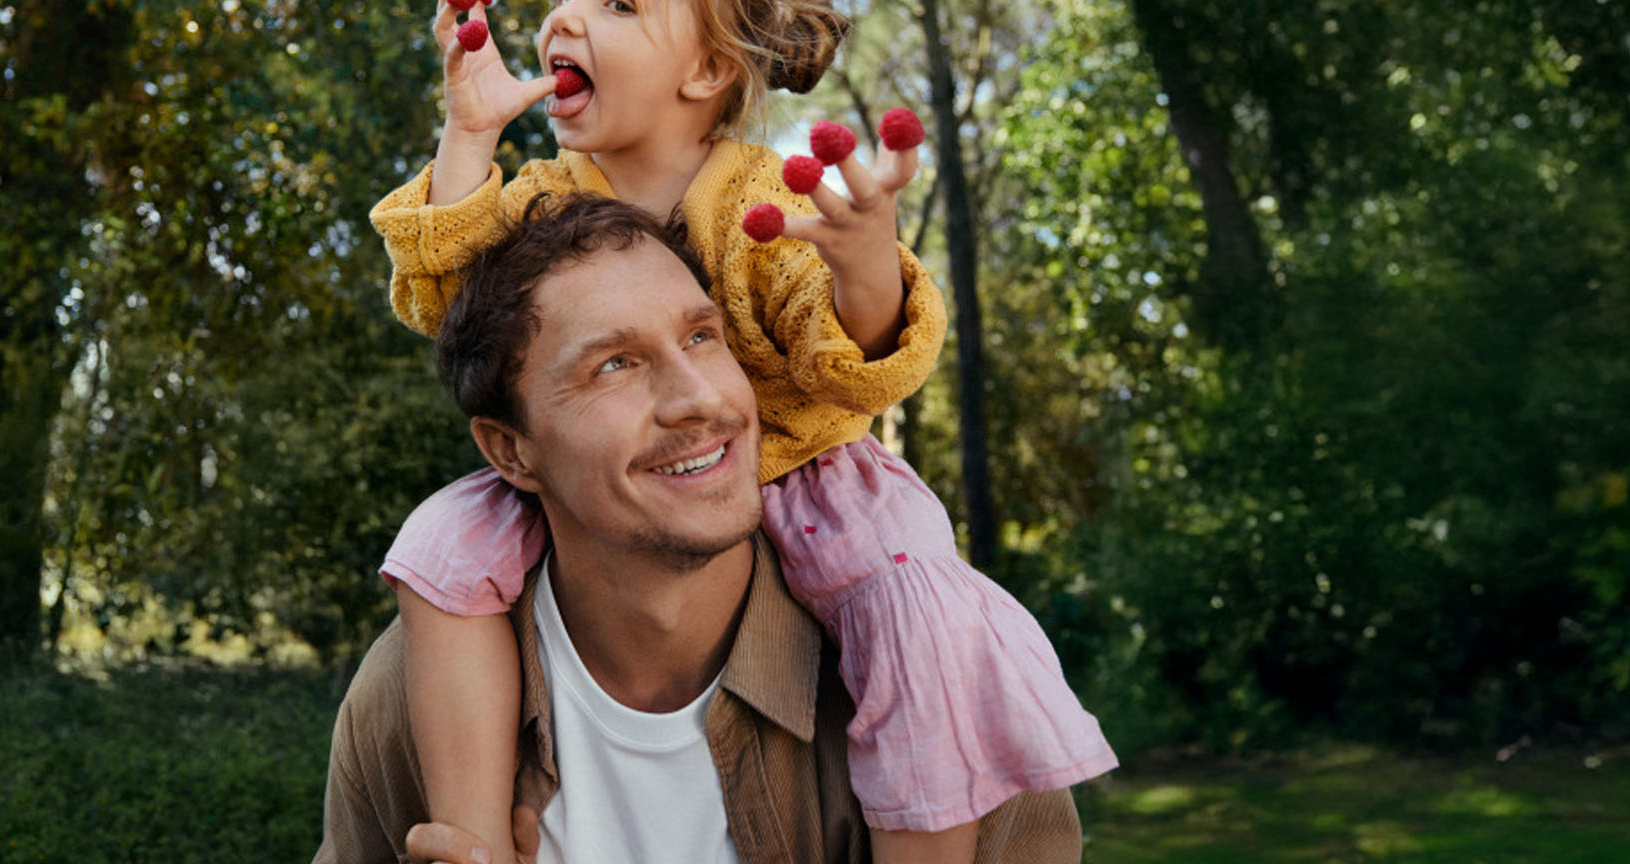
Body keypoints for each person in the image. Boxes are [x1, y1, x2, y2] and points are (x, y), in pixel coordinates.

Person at [367, 0, 1115, 864]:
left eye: (616, 2)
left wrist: (863, 274)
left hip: (811, 478)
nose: (565, 17)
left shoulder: (770, 196)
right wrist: (469, 135)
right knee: (440, 550)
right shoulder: (543, 198)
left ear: (708, 68)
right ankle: (468, 841)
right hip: (608, 482)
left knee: (913, 603)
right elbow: (453, 302)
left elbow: (843, 360)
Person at [316, 195, 1086, 862]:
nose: (700, 400)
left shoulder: (929, 676)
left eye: (700, 337)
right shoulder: (405, 698)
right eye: (615, 364)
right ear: (510, 451)